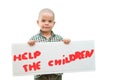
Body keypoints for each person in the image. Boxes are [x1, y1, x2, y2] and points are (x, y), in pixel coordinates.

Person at [28, 8, 71, 80]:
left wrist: (66, 42)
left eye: (50, 21)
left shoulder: (59, 38)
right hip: (40, 74)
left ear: (53, 23)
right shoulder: (34, 39)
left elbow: (64, 51)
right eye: (43, 20)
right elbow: (28, 53)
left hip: (56, 74)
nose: (46, 23)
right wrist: (29, 44)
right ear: (38, 22)